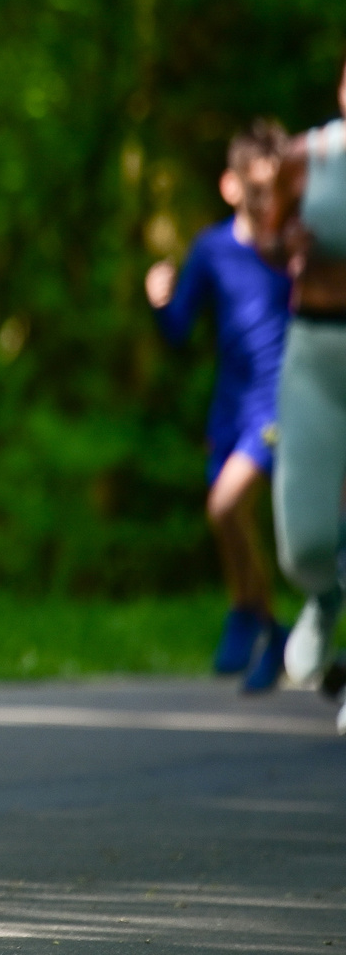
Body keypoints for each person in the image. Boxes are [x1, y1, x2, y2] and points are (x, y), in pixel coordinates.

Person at [144, 121, 291, 692]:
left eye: (272, 188)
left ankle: (244, 611)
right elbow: (179, 330)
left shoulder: (292, 249)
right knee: (233, 524)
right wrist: (160, 302)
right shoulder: (211, 250)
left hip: (278, 403)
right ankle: (272, 629)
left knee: (225, 506)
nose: (263, 200)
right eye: (253, 188)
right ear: (230, 186)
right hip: (228, 407)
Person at [269, 55, 346, 724]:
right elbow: (266, 239)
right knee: (305, 538)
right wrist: (288, 240)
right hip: (315, 347)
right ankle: (323, 597)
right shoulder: (306, 155)